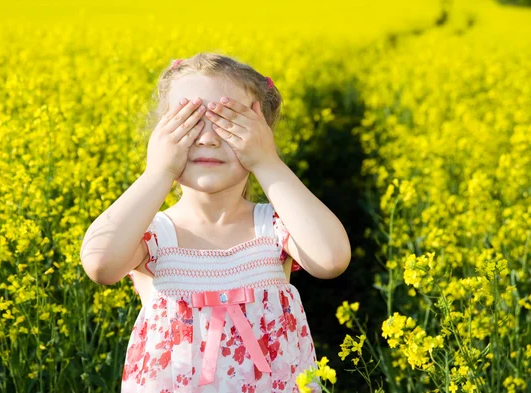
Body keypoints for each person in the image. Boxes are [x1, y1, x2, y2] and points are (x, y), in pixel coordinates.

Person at [80, 52, 352, 392]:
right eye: (189, 123)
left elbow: (331, 259)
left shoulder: (273, 227)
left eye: (228, 124)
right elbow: (100, 265)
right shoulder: (152, 234)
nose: (207, 139)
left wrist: (267, 162)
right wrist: (158, 171)